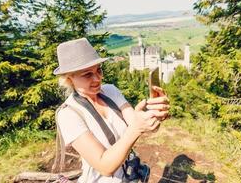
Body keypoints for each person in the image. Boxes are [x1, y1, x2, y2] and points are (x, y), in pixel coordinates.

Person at [53, 38, 170, 183]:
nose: (98, 78)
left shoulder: (110, 91)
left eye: (99, 70)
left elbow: (141, 124)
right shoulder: (69, 114)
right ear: (69, 78)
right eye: (87, 74)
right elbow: (105, 167)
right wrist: (136, 128)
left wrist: (154, 114)